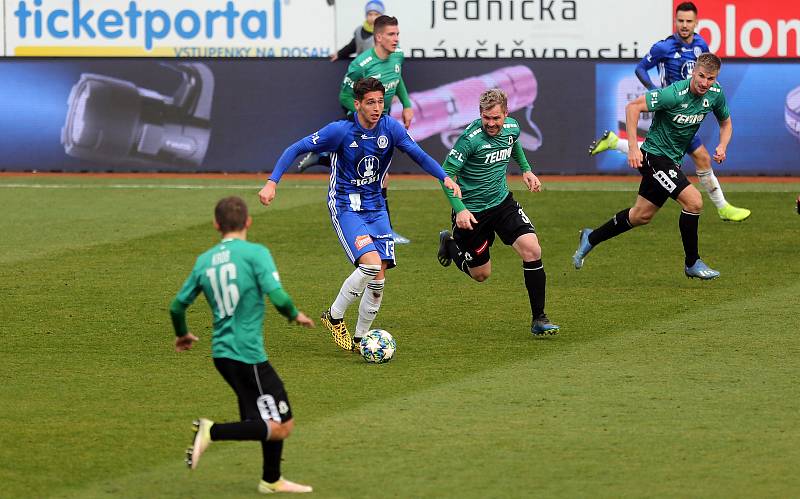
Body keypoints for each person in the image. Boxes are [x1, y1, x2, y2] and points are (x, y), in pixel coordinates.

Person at [259, 77, 461, 351]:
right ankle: (334, 315)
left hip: (376, 205)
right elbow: (295, 148)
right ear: (357, 105)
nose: (377, 107)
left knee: (379, 277)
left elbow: (419, 155)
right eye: (371, 103)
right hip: (345, 204)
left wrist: (444, 178)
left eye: (380, 101)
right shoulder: (339, 131)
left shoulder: (391, 127)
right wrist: (272, 182)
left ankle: (360, 339)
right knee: (370, 264)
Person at [169, 196, 315, 494]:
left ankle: (271, 480)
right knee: (282, 425)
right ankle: (211, 431)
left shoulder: (205, 260)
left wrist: (183, 334)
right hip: (247, 354)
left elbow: (176, 307)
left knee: (262, 419)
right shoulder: (255, 254)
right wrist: (294, 315)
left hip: (221, 354)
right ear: (248, 221)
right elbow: (277, 295)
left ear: (215, 225)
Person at [588, 1, 750, 223]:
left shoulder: (701, 45)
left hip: (689, 107)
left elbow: (707, 74)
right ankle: (722, 207)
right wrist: (656, 92)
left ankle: (615, 142)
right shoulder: (664, 47)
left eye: (688, 21)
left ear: (696, 22)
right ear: (675, 21)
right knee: (698, 156)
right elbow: (640, 69)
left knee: (667, 168)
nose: (684, 25)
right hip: (672, 107)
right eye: (680, 21)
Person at [574, 53, 731, 280]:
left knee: (641, 216)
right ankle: (692, 262)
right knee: (694, 202)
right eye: (701, 76)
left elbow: (726, 122)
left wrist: (722, 146)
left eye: (711, 78)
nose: (705, 83)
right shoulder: (674, 93)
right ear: (693, 72)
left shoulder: (715, 95)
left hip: (671, 160)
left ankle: (591, 237)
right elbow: (632, 107)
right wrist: (632, 148)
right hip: (654, 156)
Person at [436, 88, 560, 336]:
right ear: (480, 114)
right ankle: (450, 245)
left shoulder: (512, 127)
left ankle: (539, 319)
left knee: (532, 249)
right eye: (486, 118)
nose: (491, 124)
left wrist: (526, 170)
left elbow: (513, 144)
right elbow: (446, 175)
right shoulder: (470, 140)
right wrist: (459, 209)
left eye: (496, 118)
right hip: (472, 213)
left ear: (506, 114)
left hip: (502, 203)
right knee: (481, 274)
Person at [298, 14, 415, 244]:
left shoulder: (397, 56)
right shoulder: (360, 64)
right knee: (377, 175)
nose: (396, 38)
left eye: (398, 34)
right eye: (392, 34)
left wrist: (407, 105)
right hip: (364, 120)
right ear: (378, 37)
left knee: (378, 175)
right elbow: (344, 95)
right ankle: (385, 231)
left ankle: (323, 157)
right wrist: (360, 120)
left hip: (383, 119)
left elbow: (397, 78)